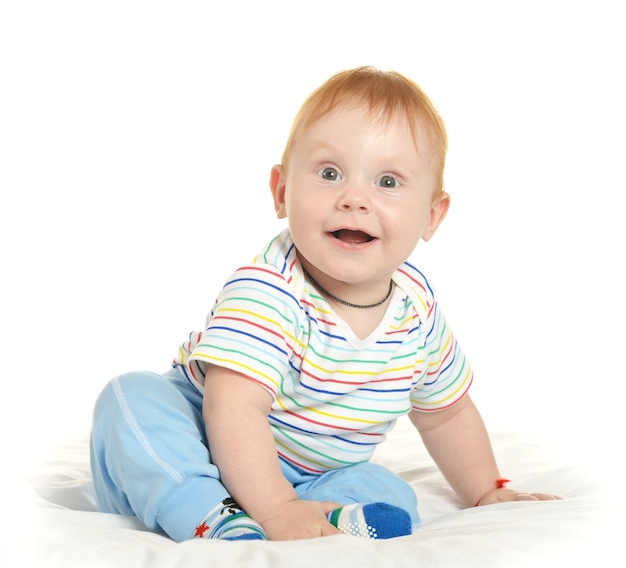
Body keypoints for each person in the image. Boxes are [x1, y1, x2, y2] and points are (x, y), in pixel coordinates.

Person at [90, 66, 559, 543]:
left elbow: (448, 414)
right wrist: (276, 509)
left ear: (432, 216)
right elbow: (232, 410)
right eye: (330, 173)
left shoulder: (417, 312)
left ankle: (326, 516)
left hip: (307, 478)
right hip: (199, 444)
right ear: (282, 192)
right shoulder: (269, 290)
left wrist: (486, 490)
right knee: (131, 401)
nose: (354, 199)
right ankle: (209, 513)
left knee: (389, 489)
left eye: (389, 182)